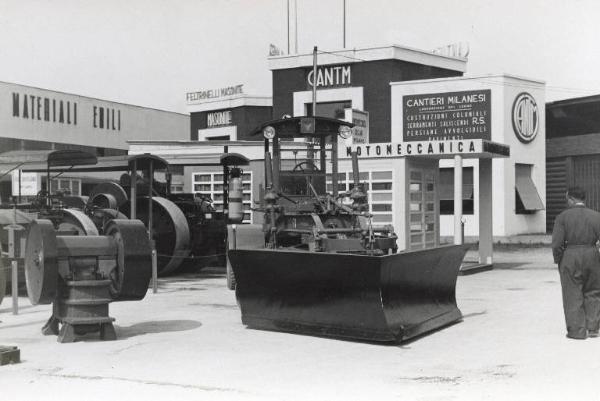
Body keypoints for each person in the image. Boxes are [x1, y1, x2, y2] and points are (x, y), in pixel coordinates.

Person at [552, 187, 600, 339]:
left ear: (570, 199)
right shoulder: (596, 216)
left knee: (572, 292)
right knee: (593, 291)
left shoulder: (562, 217)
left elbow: (557, 244)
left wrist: (558, 259)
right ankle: (593, 328)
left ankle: (577, 331)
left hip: (570, 255)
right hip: (592, 254)